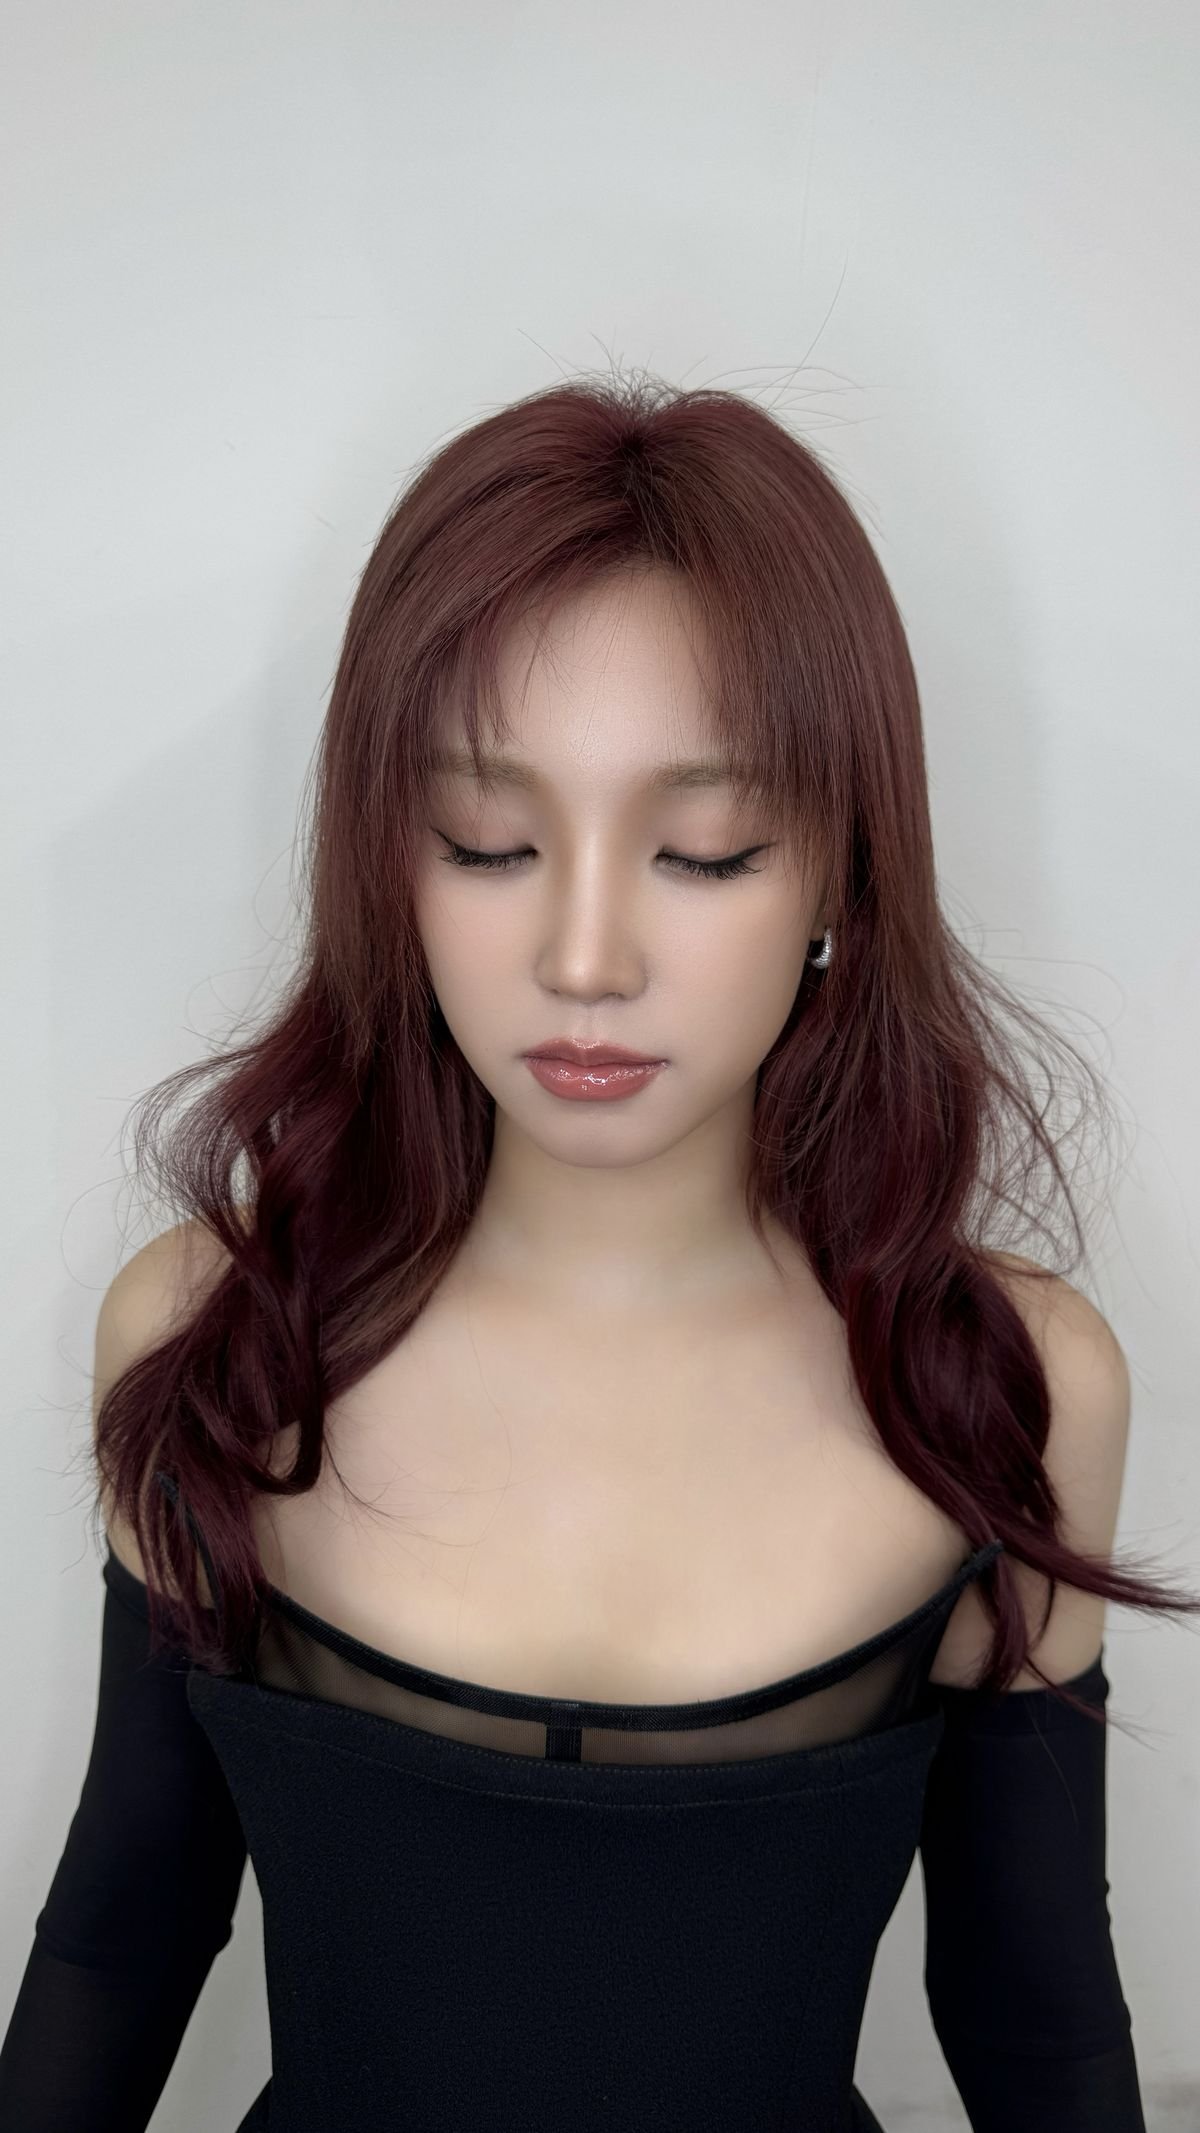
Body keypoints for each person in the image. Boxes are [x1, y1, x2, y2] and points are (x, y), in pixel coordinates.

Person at [2, 372, 1192, 2132]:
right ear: (389, 860)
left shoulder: (1008, 1384)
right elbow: (120, 1942)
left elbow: (1038, 2024)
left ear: (842, 874)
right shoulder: (214, 1338)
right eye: (488, 840)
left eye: (705, 850)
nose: (583, 956)